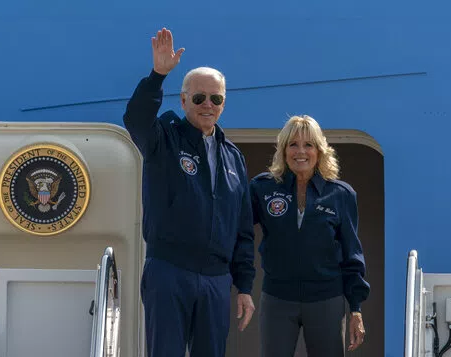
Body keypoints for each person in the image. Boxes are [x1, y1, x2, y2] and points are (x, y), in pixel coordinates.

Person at [123, 27, 256, 357]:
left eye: (216, 98)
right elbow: (136, 119)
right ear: (183, 100)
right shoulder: (164, 138)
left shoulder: (234, 158)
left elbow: (242, 230)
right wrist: (157, 76)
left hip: (215, 279)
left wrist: (245, 286)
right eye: (199, 98)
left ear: (224, 103)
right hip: (169, 270)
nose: (207, 105)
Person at [250, 115, 370, 357]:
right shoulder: (262, 188)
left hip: (326, 299)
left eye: (308, 145)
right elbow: (237, 233)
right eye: (293, 144)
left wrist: (355, 309)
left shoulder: (341, 194)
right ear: (283, 150)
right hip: (277, 298)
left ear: (320, 150)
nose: (300, 152)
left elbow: (352, 255)